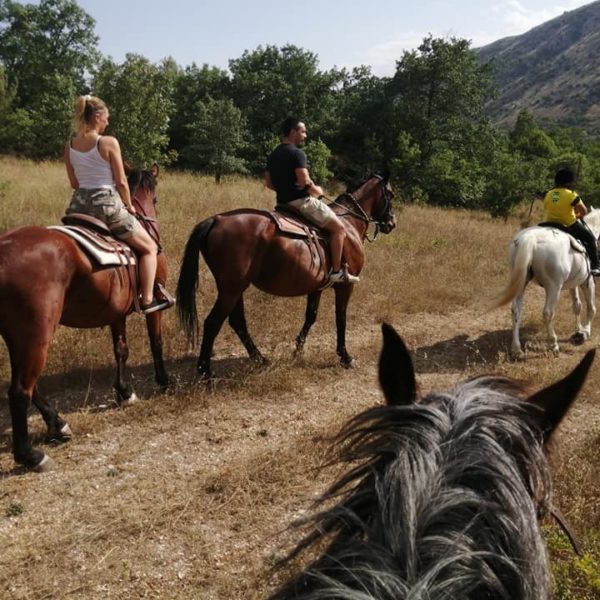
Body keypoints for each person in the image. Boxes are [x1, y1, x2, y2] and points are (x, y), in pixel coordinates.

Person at [64, 94, 171, 313]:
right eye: (106, 118)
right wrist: (129, 206)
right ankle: (148, 298)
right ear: (97, 116)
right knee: (150, 248)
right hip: (107, 207)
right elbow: (122, 181)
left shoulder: (69, 145)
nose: (108, 122)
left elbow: (74, 183)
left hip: (77, 208)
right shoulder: (108, 142)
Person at [265, 117, 359, 284]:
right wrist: (318, 191)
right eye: (303, 131)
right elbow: (305, 182)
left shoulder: (274, 154)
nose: (305, 135)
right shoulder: (297, 153)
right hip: (302, 203)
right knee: (339, 229)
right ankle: (337, 272)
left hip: (282, 204)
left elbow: (269, 183)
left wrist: (285, 189)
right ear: (293, 132)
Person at [542, 166, 600, 277]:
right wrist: (576, 216)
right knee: (591, 239)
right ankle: (596, 266)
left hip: (548, 222)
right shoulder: (571, 194)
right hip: (568, 224)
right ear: (569, 182)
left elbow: (547, 207)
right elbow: (584, 211)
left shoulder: (549, 194)